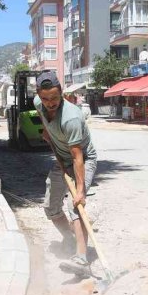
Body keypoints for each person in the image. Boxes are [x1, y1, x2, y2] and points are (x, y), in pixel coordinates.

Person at [34, 71, 99, 276]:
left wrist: (80, 191)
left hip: (83, 160)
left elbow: (78, 157)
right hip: (61, 159)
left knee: (74, 206)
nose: (50, 103)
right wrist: (47, 131)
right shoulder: (38, 102)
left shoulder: (70, 118)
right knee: (51, 208)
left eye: (54, 98)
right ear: (39, 95)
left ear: (61, 93)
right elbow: (43, 116)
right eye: (46, 99)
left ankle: (81, 257)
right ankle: (70, 239)